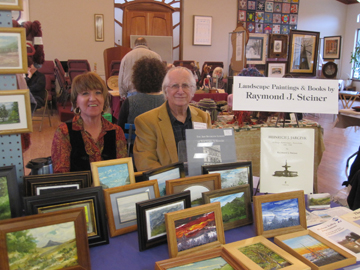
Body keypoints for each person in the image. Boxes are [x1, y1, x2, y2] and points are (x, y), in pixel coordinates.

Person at [133, 66, 211, 171]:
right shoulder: (146, 122)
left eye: (185, 86)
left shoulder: (203, 118)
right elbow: (146, 164)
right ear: (165, 91)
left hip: (201, 181)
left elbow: (211, 155)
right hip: (168, 183)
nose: (180, 91)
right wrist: (177, 181)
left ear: (192, 90)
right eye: (174, 86)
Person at [51, 72, 127, 173]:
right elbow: (62, 177)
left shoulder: (117, 131)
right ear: (76, 102)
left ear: (104, 99)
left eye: (98, 93)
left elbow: (122, 173)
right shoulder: (64, 132)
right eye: (85, 93)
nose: (92, 98)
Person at [117, 57, 166, 131]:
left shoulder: (129, 102)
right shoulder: (168, 103)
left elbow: (120, 130)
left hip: (135, 141)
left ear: (136, 78)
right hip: (161, 142)